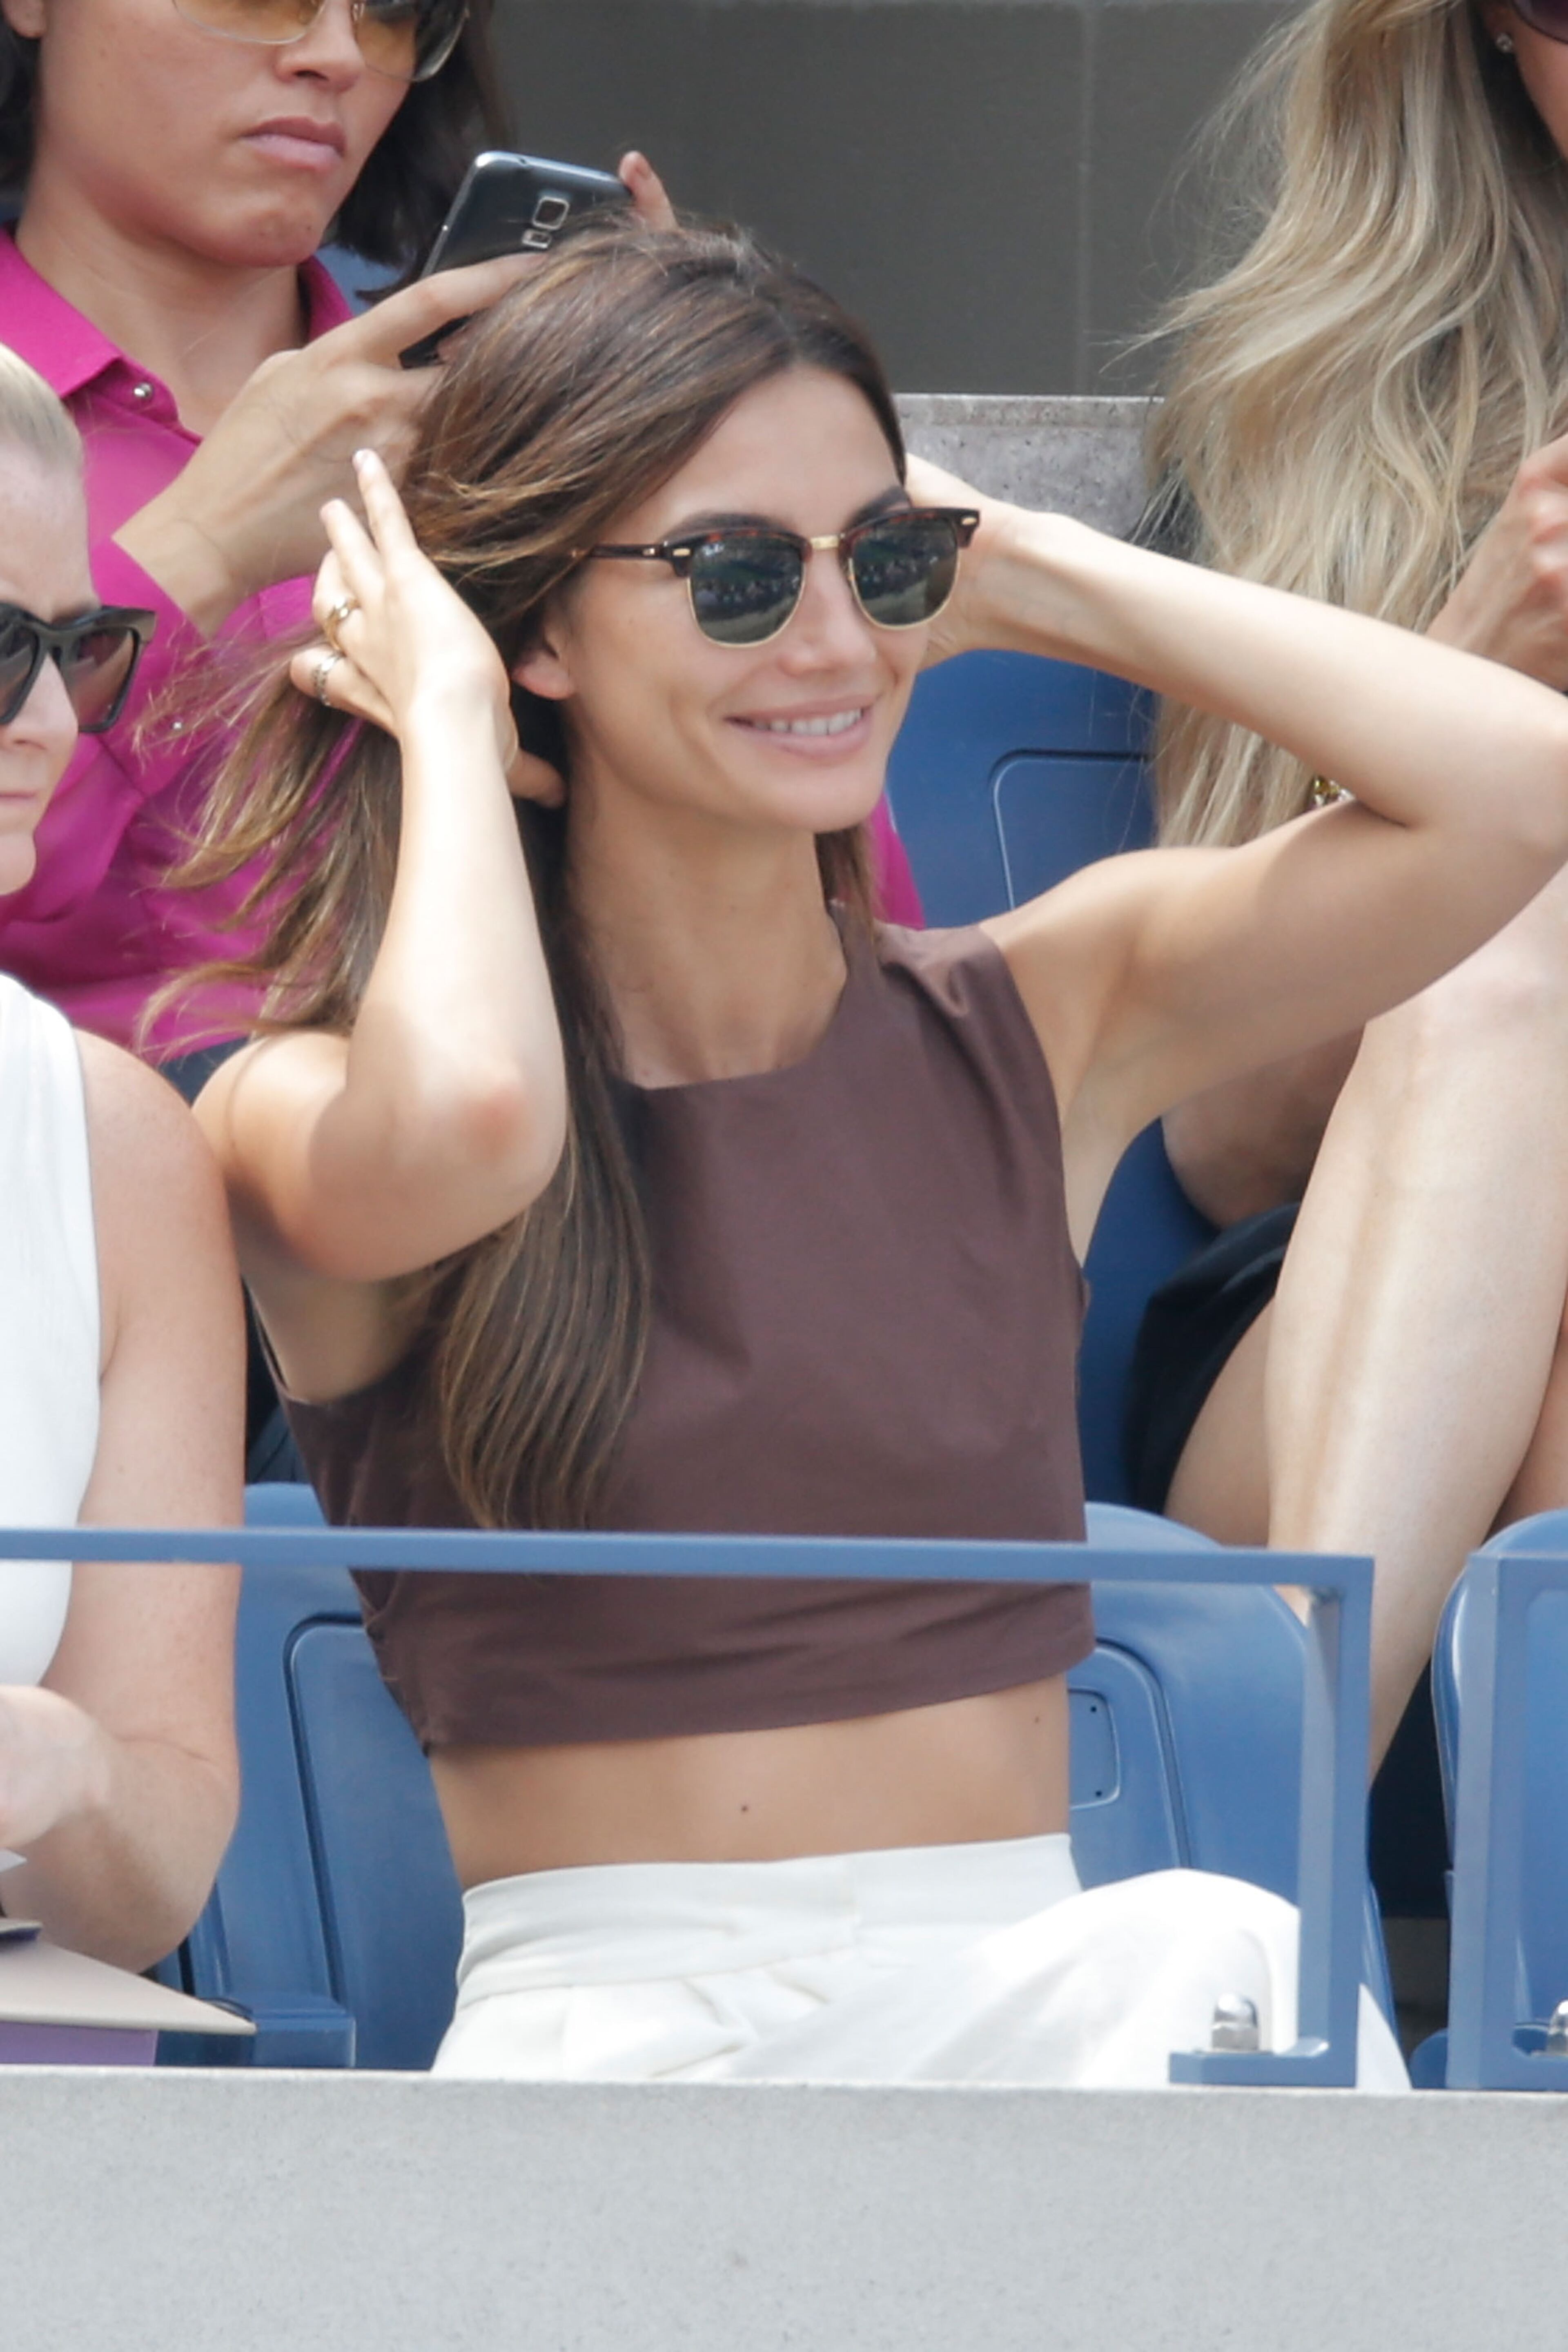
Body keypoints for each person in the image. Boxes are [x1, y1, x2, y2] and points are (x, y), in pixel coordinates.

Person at [188, 218, 1568, 2090]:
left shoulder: (1040, 1014)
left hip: (1034, 1999)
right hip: (614, 2044)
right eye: (738, 576)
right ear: (531, 634)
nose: (837, 641)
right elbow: (476, 1124)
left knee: (1227, 1959)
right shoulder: (297, 1104)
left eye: (884, 559)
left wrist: (1038, 571)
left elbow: (1521, 790)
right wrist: (439, 715)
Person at [0, 0, 915, 1075]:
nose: (337, 55)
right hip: (107, 1189)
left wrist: (713, 465)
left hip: (580, 1171)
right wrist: (204, 546)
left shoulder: (492, 411)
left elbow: (856, 923)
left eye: (396, 14)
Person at [1123, 0, 1568, 1768]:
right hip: (1335, 1374)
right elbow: (1218, 1137)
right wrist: (1466, 698)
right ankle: (1288, 1882)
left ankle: (1273, 1923)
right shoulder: (1320, 428)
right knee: (1515, 910)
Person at [0, 345, 243, 1973]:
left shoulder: (107, 1142)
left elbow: (157, 1882)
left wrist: (66, 1776)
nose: (43, 724)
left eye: (74, 652)